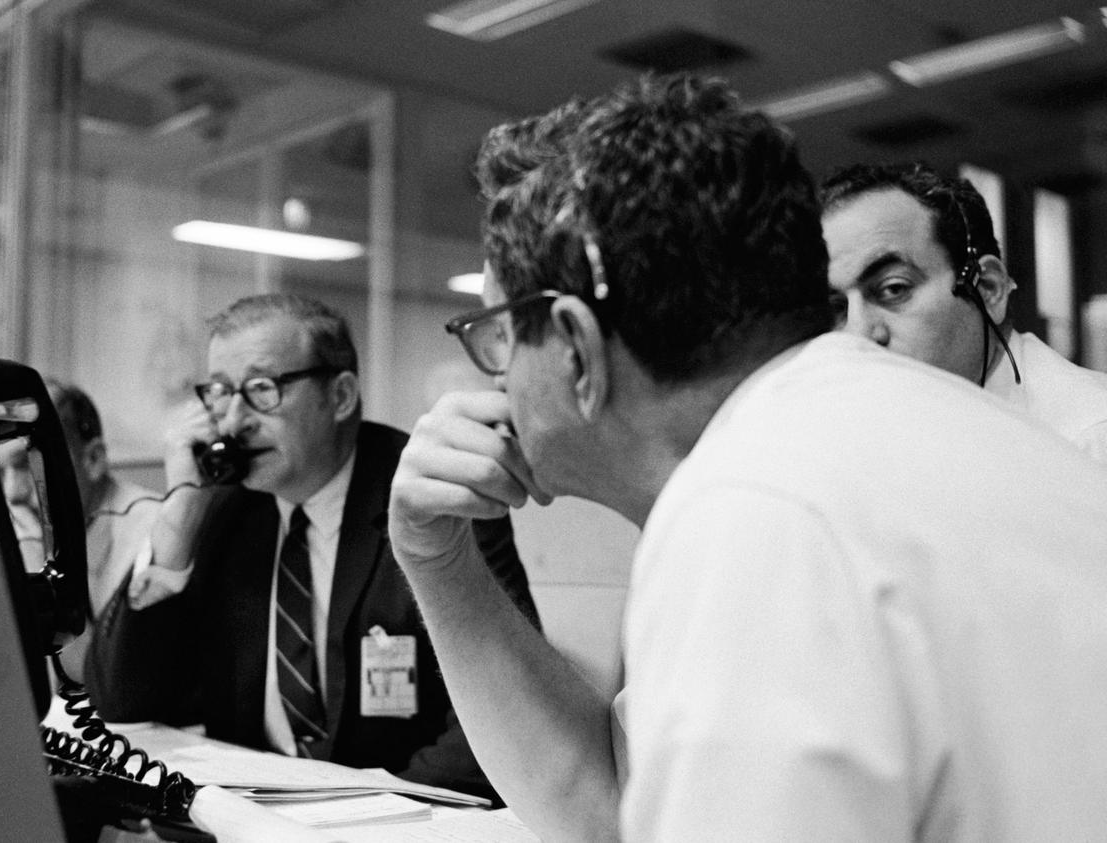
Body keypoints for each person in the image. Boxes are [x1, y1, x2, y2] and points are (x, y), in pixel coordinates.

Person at [385, 72, 1107, 841]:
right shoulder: (893, 441)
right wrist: (436, 559)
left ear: (575, 347)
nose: (493, 377)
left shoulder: (755, 509)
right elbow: (613, 806)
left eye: (500, 332)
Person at [86, 293, 538, 801]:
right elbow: (119, 702)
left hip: (396, 817)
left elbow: (505, 717)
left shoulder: (432, 499)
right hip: (250, 817)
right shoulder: (220, 508)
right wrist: (179, 518)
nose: (233, 422)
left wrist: (364, 819)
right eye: (220, 392)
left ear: (340, 396)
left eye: (261, 389)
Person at [821, 161, 1107, 463]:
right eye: (837, 306)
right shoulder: (872, 433)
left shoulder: (1088, 442)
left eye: (894, 289)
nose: (856, 335)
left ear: (988, 289)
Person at [0, 379, 161, 682]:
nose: (11, 492)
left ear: (93, 459)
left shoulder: (152, 531)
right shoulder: (34, 533)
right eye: (0, 472)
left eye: (27, 464)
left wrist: (36, 560)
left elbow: (102, 683)